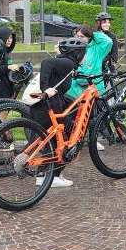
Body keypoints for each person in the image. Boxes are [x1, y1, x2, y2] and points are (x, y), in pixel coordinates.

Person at [29, 37, 89, 188]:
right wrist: (45, 88)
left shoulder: (67, 64)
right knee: (72, 135)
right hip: (48, 108)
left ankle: (44, 175)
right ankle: (53, 175)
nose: (85, 56)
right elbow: (46, 63)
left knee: (53, 142)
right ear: (77, 53)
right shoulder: (68, 63)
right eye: (84, 53)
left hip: (41, 108)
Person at [66, 25, 113, 99]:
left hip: (94, 85)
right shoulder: (73, 47)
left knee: (98, 105)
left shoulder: (98, 49)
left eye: (82, 36)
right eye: (77, 36)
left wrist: (94, 33)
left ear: (89, 37)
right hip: (74, 87)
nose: (79, 38)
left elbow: (108, 41)